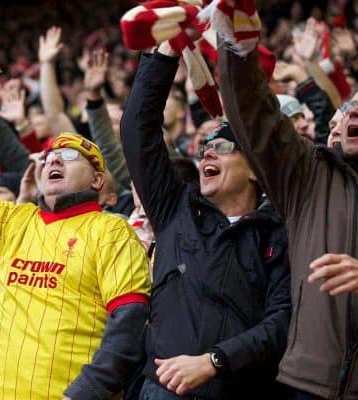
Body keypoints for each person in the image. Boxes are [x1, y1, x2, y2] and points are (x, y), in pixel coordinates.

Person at [0, 58, 151, 400]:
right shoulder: (14, 221)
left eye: (68, 157)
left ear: (98, 180)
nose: (52, 159)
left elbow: (130, 319)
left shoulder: (112, 231)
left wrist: (86, 392)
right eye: (49, 157)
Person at [120, 42, 291, 399]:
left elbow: (281, 321)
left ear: (257, 171)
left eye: (225, 147)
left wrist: (216, 360)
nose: (208, 151)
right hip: (163, 390)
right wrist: (164, 54)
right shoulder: (174, 207)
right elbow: (139, 130)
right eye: (204, 149)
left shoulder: (280, 230)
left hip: (241, 392)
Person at [217, 17, 358, 400]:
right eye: (346, 109)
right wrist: (236, 36)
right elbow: (253, 115)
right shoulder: (311, 176)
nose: (353, 114)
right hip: (308, 383)